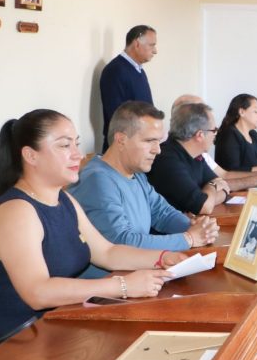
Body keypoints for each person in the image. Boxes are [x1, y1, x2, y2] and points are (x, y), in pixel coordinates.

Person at [0, 110, 182, 353]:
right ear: (30, 155)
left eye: (76, 144)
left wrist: (163, 257)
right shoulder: (16, 212)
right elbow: (38, 292)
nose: (77, 154)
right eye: (64, 145)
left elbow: (107, 252)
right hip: (8, 347)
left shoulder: (64, 200)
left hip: (55, 329)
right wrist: (123, 285)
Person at [71, 102, 218, 273]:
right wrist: (188, 238)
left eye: (159, 141)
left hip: (137, 275)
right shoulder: (97, 180)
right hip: (107, 283)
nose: (158, 150)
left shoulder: (136, 173)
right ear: (121, 140)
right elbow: (121, 241)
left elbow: (162, 213)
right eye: (150, 141)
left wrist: (194, 226)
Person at [171, 95, 257, 190]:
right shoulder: (172, 157)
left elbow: (224, 176)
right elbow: (204, 200)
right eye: (200, 110)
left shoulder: (199, 154)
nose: (207, 114)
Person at [147, 102, 231, 215]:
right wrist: (213, 186)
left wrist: (210, 194)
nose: (215, 134)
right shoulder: (166, 159)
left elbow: (223, 186)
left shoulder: (196, 155)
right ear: (200, 135)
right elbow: (204, 207)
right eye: (214, 130)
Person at [99, 25, 156, 151]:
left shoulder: (139, 71)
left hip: (139, 145)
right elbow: (117, 117)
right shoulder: (115, 70)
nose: (155, 51)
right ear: (137, 44)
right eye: (152, 45)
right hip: (123, 148)